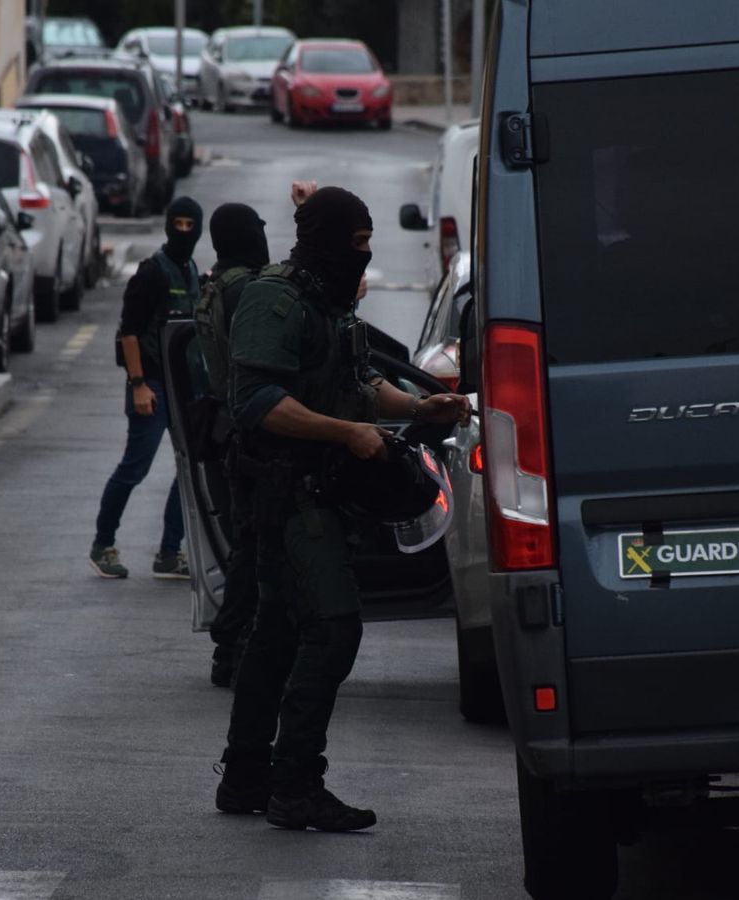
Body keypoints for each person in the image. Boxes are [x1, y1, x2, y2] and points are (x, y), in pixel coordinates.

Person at [212, 187, 470, 831]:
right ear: (327, 238)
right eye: (357, 242)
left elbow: (354, 382)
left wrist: (416, 406)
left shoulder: (330, 299)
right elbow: (257, 400)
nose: (367, 252)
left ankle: (246, 775)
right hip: (286, 491)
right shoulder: (274, 299)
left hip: (316, 487)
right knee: (332, 628)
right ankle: (296, 783)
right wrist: (346, 433)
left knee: (275, 630)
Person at [88, 197, 204, 580]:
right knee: (134, 468)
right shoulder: (152, 272)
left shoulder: (190, 271)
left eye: (191, 225)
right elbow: (130, 333)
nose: (183, 231)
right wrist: (138, 385)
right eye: (178, 223)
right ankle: (102, 544)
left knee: (190, 472)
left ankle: (170, 553)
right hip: (151, 385)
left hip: (181, 387)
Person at [195, 202, 272, 687]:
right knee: (258, 548)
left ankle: (239, 643)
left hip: (233, 428)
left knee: (254, 544)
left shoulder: (218, 283)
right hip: (253, 431)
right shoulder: (245, 290)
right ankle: (233, 644)